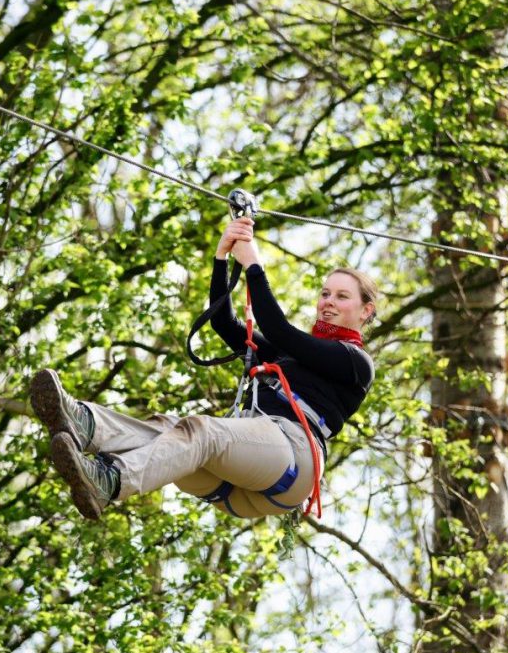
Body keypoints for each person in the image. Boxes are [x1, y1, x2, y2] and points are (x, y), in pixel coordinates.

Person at [30, 216, 377, 520]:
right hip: (237, 475)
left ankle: (110, 482)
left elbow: (279, 329)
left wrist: (254, 264)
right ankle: (84, 422)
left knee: (202, 431)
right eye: (325, 293)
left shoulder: (355, 362)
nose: (328, 302)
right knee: (169, 429)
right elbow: (224, 324)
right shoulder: (288, 355)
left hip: (293, 459)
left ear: (366, 311)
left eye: (341, 297)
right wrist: (222, 258)